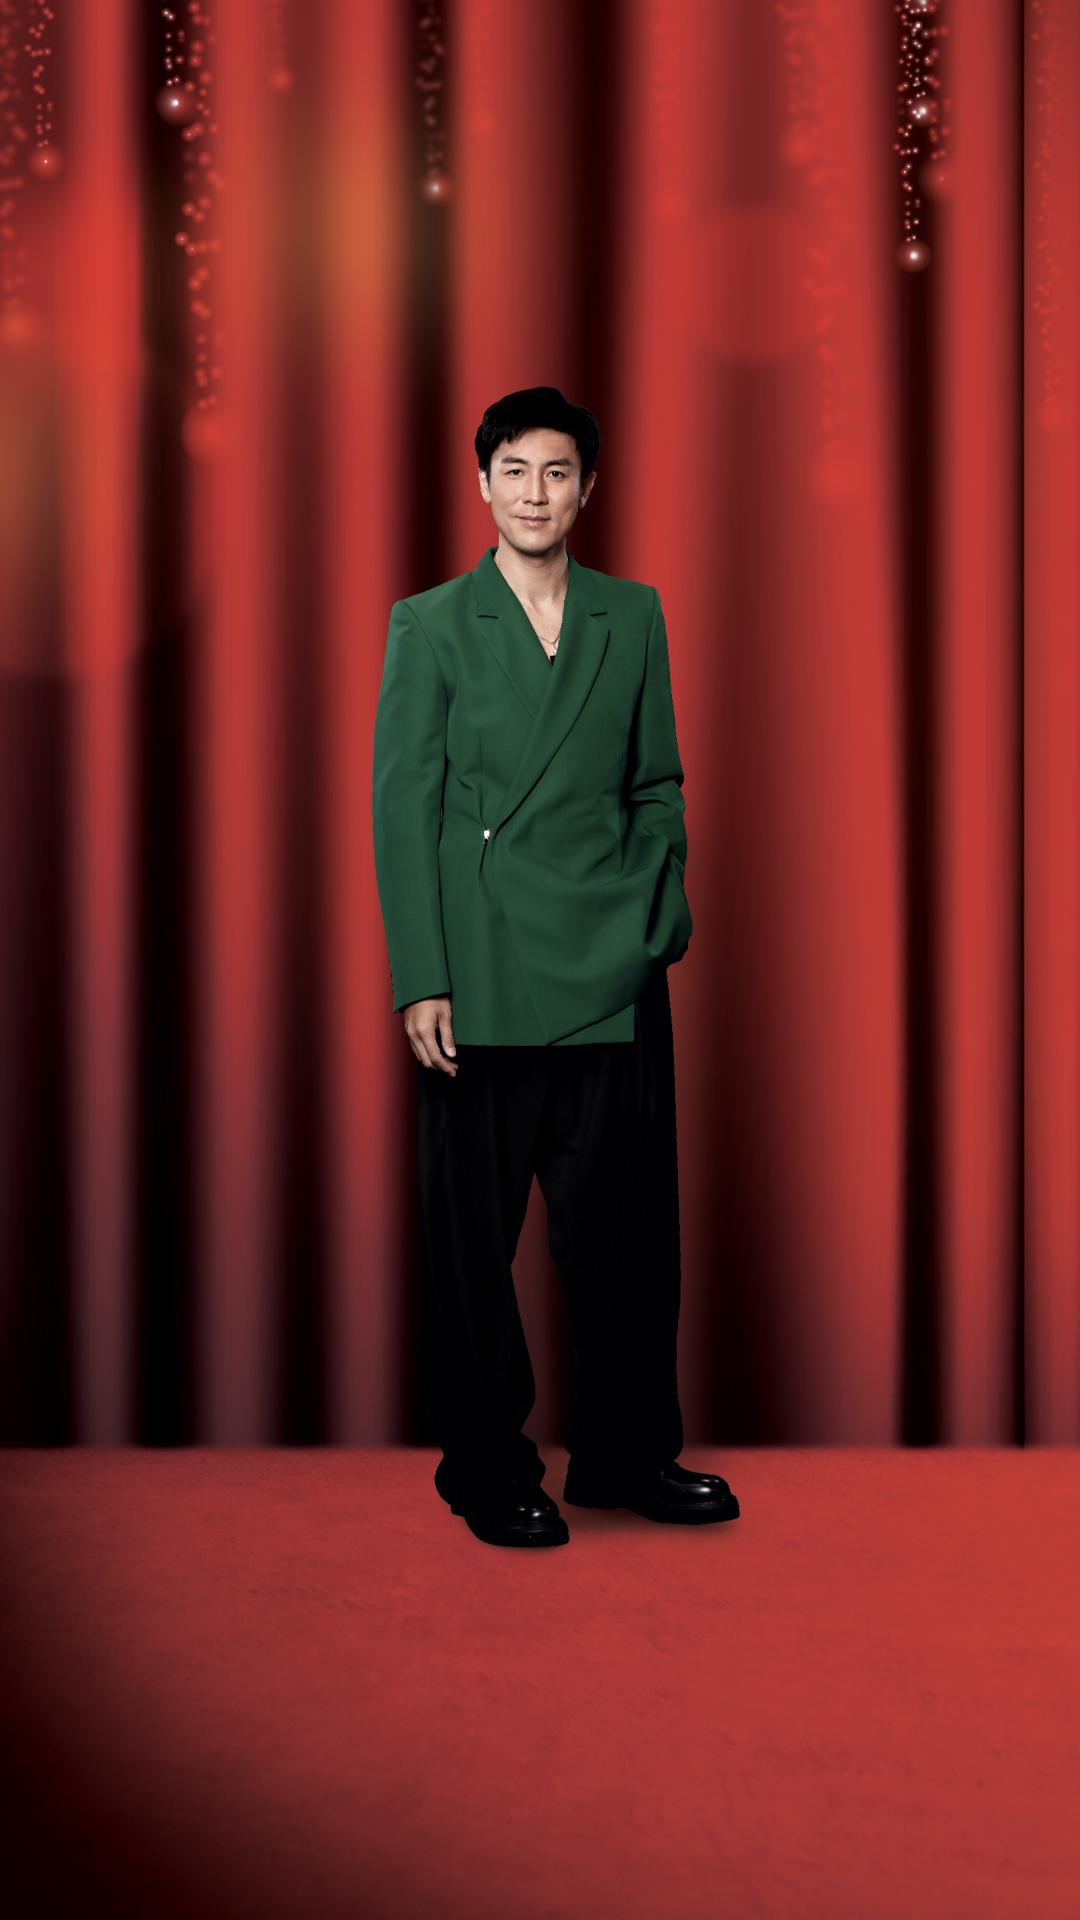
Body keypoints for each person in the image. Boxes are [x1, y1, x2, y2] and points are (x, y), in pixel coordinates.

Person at [372, 385, 740, 1548]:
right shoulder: (431, 624)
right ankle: (486, 1466)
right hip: (478, 969)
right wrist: (421, 975)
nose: (536, 493)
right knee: (472, 1247)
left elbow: (657, 782)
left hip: (613, 969)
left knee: (626, 1233)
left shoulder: (633, 614)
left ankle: (628, 1454)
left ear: (589, 489)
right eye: (516, 470)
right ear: (482, 484)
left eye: (558, 471)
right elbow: (401, 810)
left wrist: (655, 918)